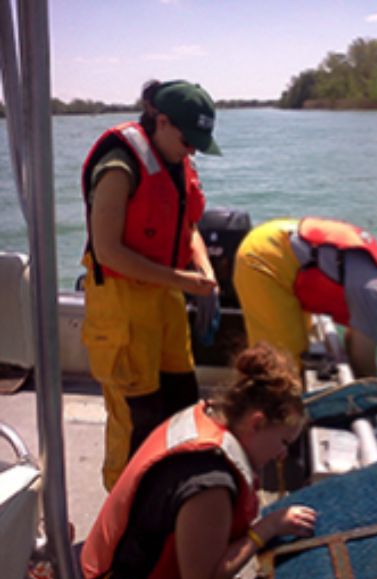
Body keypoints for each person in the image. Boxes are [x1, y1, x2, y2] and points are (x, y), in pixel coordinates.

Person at [80, 342, 317, 579]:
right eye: (283, 441)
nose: (282, 454)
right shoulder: (210, 486)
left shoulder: (204, 419)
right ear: (256, 422)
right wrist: (267, 529)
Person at [81, 79, 221, 491]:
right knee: (136, 417)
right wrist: (181, 279)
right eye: (187, 138)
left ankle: (168, 497)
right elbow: (108, 251)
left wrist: (204, 267)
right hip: (122, 305)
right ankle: (121, 518)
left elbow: (187, 225)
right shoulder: (119, 165)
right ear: (160, 121)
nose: (192, 149)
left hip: (165, 298)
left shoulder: (176, 160)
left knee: (179, 401)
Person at [233, 217, 377, 378]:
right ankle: (253, 418)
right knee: (281, 365)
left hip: (276, 239)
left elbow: (353, 339)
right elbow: (363, 358)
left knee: (302, 345)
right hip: (266, 260)